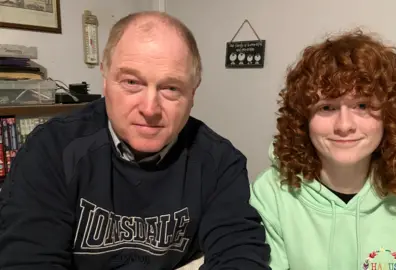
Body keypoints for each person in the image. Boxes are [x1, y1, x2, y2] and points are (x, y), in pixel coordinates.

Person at [0, 11, 270, 270]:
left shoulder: (220, 162)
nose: (150, 108)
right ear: (105, 80)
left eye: (171, 88)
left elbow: (241, 252)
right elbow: (26, 259)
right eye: (132, 82)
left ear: (193, 92)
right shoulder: (52, 150)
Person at [249, 29, 396, 270]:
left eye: (362, 105)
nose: (344, 125)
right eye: (327, 107)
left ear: (390, 117)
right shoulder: (271, 195)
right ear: (304, 119)